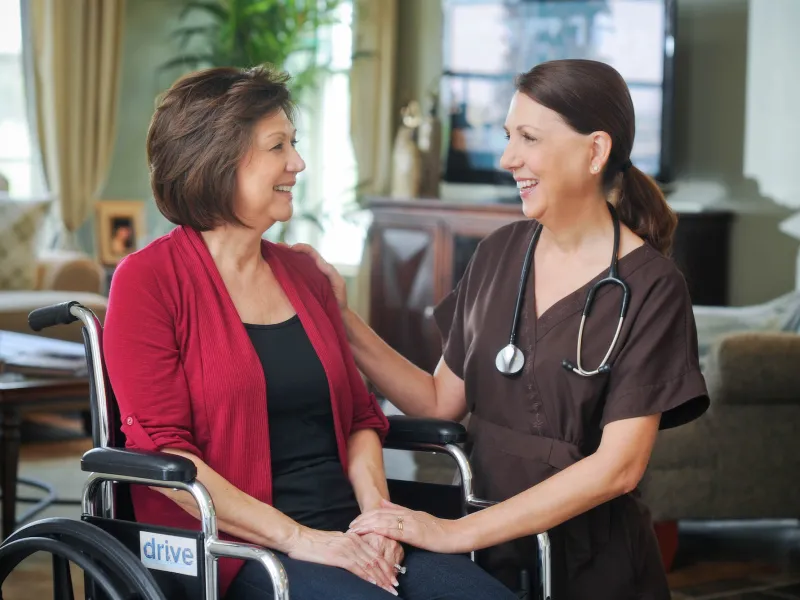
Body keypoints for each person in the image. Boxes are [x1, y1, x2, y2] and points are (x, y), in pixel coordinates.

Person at [290, 59, 711, 600]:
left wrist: (453, 531)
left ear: (595, 151)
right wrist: (340, 319)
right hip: (489, 554)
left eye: (529, 138)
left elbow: (619, 467)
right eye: (508, 136)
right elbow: (440, 401)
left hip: (594, 568)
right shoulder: (499, 254)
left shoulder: (652, 287)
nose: (509, 158)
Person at [101, 65, 518, 600]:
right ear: (217, 161)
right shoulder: (149, 281)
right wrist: (301, 540)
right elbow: (167, 455)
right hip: (233, 548)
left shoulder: (304, 275)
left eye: (293, 145)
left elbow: (359, 418)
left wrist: (378, 516)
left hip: (347, 528)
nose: (298, 163)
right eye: (279, 146)